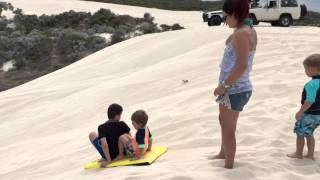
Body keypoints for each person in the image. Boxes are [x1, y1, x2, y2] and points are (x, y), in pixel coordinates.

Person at [210, 0, 258, 169]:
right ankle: (223, 153)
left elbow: (242, 66)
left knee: (228, 131)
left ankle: (229, 167)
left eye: (226, 17)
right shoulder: (246, 30)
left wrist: (223, 85)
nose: (225, 21)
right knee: (223, 121)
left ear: (236, 14)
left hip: (235, 89)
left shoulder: (242, 33)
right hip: (235, 88)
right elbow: (233, 46)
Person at [288, 54, 320, 160]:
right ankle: (310, 155)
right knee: (309, 134)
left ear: (313, 69)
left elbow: (309, 101)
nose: (305, 71)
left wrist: (300, 112)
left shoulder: (312, 84)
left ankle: (298, 153)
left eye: (306, 69)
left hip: (309, 114)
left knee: (300, 134)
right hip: (318, 114)